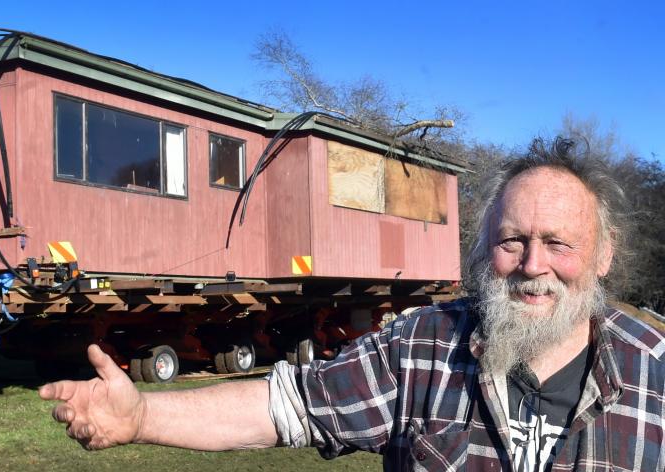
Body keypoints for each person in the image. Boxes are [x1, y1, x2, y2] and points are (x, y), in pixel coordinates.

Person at [39, 137, 665, 470]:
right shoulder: (422, 346)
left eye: (558, 242)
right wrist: (142, 418)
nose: (533, 266)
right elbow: (285, 406)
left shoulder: (655, 373)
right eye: (512, 240)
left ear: (604, 255)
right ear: (484, 249)